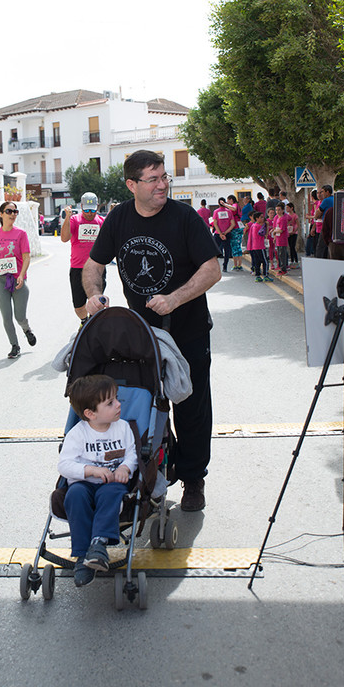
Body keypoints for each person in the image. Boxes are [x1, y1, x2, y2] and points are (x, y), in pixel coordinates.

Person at [82, 149, 221, 513]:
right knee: (141, 403)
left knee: (190, 406)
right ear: (132, 185)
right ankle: (149, 469)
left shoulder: (184, 217)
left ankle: (194, 479)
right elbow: (92, 266)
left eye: (164, 178)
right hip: (140, 334)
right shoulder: (118, 219)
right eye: (154, 179)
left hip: (187, 331)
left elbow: (212, 269)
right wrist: (95, 295)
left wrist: (175, 299)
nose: (162, 185)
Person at [58, 374, 137, 587]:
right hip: (84, 484)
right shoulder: (78, 434)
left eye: (117, 398)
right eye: (110, 402)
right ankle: (83, 556)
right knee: (74, 495)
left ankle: (98, 543)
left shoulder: (123, 427)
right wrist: (89, 470)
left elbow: (132, 454)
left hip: (111, 482)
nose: (119, 404)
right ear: (90, 413)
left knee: (111, 493)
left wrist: (125, 467)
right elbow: (64, 465)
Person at [0, 200, 37, 358]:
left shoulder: (21, 234)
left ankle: (26, 329)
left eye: (15, 212)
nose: (13, 214)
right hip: (1, 281)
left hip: (18, 282)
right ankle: (14, 346)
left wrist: (21, 275)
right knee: (6, 317)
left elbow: (26, 257)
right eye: (9, 211)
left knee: (19, 316)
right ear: (1, 214)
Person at [61, 191, 105, 323]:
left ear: (97, 207)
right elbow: (64, 238)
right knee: (79, 305)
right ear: (81, 207)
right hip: (77, 268)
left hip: (97, 268)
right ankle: (84, 321)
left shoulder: (102, 222)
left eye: (92, 210)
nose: (90, 213)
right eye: (86, 210)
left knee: (97, 302)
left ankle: (93, 324)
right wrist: (67, 218)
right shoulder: (75, 220)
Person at [247, 210, 273, 283]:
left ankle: (258, 276)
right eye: (261, 217)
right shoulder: (259, 226)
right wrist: (267, 226)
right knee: (265, 261)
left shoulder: (253, 225)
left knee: (257, 262)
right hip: (260, 246)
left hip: (254, 246)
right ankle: (265, 275)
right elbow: (265, 234)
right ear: (257, 218)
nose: (263, 219)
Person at [212, 197, 236, 273]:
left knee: (214, 252)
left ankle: (215, 267)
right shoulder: (229, 212)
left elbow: (215, 224)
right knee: (227, 251)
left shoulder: (216, 211)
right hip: (227, 234)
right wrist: (225, 233)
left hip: (218, 234)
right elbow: (233, 224)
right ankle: (225, 266)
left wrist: (220, 233)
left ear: (218, 203)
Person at [226, 194, 244, 271]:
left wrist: (224, 205)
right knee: (238, 246)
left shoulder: (234, 205)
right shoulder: (238, 205)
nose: (227, 202)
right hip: (239, 227)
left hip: (235, 228)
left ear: (231, 200)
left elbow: (233, 209)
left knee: (234, 246)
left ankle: (236, 265)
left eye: (228, 200)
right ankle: (239, 264)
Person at [272, 203, 290, 275]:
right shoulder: (277, 217)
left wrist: (274, 232)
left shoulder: (283, 218)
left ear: (283, 210)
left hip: (282, 238)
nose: (277, 211)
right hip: (278, 238)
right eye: (276, 210)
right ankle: (281, 267)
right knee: (279, 253)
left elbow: (281, 230)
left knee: (282, 254)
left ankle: (283, 269)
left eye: (279, 210)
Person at [287, 202, 299, 268]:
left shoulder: (295, 215)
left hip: (294, 233)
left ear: (292, 208)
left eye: (288, 207)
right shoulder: (287, 215)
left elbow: (298, 224)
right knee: (290, 246)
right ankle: (292, 261)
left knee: (292, 246)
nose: (287, 209)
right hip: (288, 232)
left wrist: (294, 231)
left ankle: (296, 260)